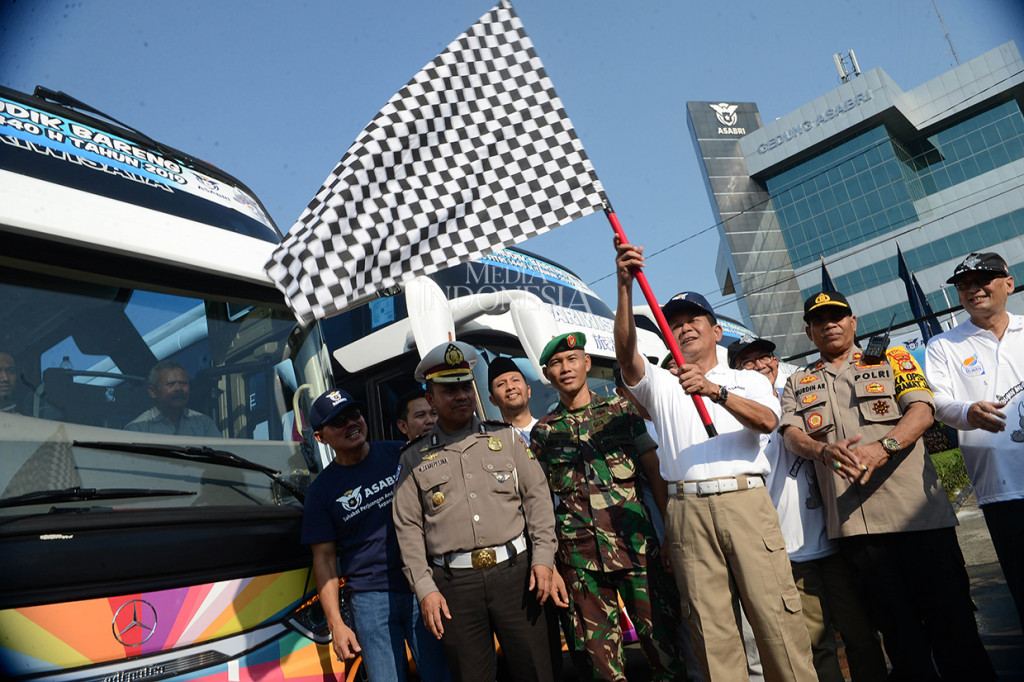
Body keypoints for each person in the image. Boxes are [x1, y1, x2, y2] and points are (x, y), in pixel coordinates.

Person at [613, 238, 817, 682]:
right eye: (675, 324)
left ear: (716, 329)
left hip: (745, 503)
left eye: (694, 321)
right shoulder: (661, 385)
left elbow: (766, 420)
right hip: (686, 510)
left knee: (775, 620)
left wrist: (716, 392)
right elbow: (626, 355)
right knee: (711, 631)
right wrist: (624, 288)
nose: (684, 329)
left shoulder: (746, 378)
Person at [780, 290, 995, 681]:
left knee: (954, 626)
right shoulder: (799, 381)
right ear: (809, 332)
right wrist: (820, 450)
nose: (830, 324)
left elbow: (922, 410)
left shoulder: (892, 358)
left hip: (919, 519)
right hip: (857, 532)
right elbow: (792, 434)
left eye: (837, 316)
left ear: (853, 322)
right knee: (898, 636)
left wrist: (886, 446)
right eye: (819, 320)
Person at [392, 341, 561, 682]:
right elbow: (408, 529)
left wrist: (543, 558)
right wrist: (425, 589)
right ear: (430, 399)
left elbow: (538, 499)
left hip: (518, 577)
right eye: (449, 389)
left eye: (465, 386)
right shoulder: (412, 459)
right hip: (455, 587)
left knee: (537, 671)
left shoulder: (508, 439)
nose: (461, 395)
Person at [728, 335, 886, 682]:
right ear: (736, 374)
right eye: (747, 362)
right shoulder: (737, 420)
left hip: (835, 539)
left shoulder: (802, 394)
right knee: (817, 645)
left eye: (764, 357)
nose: (759, 366)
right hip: (788, 553)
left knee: (861, 633)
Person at [530, 332, 685, 682]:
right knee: (601, 664)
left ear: (586, 364)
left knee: (664, 650)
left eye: (572, 360)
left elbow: (655, 475)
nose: (565, 368)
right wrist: (551, 562)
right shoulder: (543, 432)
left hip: (637, 549)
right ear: (547, 374)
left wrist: (670, 535)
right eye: (556, 363)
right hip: (579, 560)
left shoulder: (621, 411)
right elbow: (539, 501)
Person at [301, 388, 450, 682]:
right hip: (370, 602)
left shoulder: (400, 454)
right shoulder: (320, 492)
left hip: (420, 587)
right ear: (320, 437)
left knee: (442, 676)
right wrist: (336, 624)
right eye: (338, 421)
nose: (351, 423)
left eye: (354, 414)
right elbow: (325, 561)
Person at [926, 251, 1024, 630]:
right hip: (1002, 490)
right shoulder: (945, 345)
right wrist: (968, 412)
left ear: (1008, 283)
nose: (973, 289)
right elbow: (937, 401)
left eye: (982, 280)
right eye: (964, 285)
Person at [125, 359, 219, 436]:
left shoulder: (204, 423)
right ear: (152, 391)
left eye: (183, 383)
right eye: (171, 384)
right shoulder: (137, 429)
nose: (178, 388)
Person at [487, 356, 537, 442]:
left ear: (528, 391)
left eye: (515, 380)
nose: (510, 387)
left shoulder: (550, 431)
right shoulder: (492, 442)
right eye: (501, 384)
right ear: (493, 400)